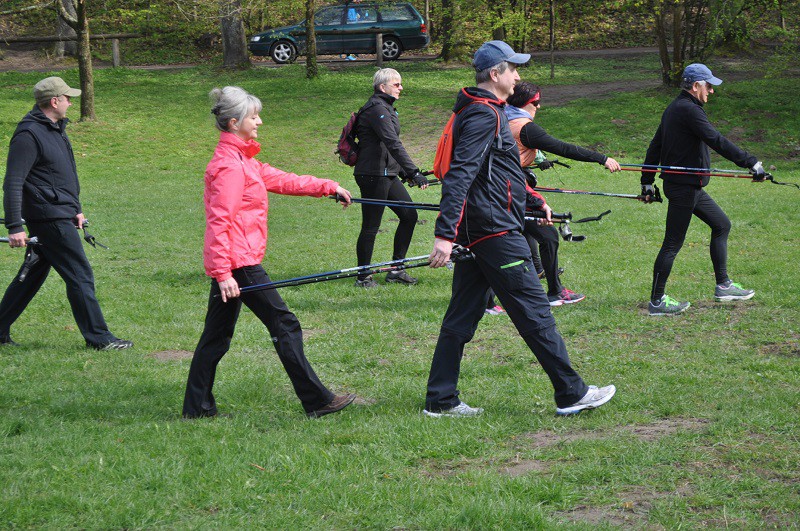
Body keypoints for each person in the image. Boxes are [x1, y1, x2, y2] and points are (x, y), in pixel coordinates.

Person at [424, 41, 616, 417]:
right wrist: (444, 235)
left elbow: (501, 171)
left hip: (482, 229)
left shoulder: (488, 112)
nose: (518, 76)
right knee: (535, 311)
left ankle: (440, 399)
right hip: (494, 232)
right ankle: (571, 393)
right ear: (495, 74)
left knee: (461, 317)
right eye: (513, 69)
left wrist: (533, 199)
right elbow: (461, 175)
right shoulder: (482, 115)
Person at [183, 86, 356, 419]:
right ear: (234, 122)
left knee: (216, 337)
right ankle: (317, 400)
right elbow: (220, 222)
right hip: (239, 263)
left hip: (236, 262)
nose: (259, 121)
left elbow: (280, 179)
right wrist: (222, 274)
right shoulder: (231, 167)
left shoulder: (241, 159)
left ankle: (197, 408)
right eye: (253, 116)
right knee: (285, 323)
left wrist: (327, 187)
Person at [0, 77, 132, 350]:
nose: (71, 102)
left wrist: (76, 210)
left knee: (30, 277)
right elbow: (13, 181)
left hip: (59, 212)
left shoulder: (55, 128)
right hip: (48, 218)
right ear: (54, 101)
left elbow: (59, 176)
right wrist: (15, 226)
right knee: (79, 274)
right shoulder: (29, 134)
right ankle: (100, 338)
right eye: (67, 97)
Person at [641, 63, 766, 316]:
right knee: (672, 243)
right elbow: (716, 140)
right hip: (683, 188)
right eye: (708, 86)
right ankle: (656, 301)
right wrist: (750, 162)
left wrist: (647, 180)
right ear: (696, 86)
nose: (711, 91)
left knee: (721, 225)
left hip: (691, 187)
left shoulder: (676, 108)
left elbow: (655, 146)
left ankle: (724, 285)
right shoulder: (688, 110)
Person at [505, 81, 622, 306]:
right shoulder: (525, 127)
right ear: (527, 103)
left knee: (535, 236)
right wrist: (602, 158)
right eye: (536, 102)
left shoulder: (503, 117)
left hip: (505, 187)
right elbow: (564, 148)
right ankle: (551, 292)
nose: (538, 107)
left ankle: (543, 289)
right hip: (510, 190)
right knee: (544, 236)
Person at [352, 68, 428, 288]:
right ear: (382, 87)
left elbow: (386, 146)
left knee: (409, 216)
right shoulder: (377, 109)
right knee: (371, 226)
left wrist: (404, 173)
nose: (401, 88)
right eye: (397, 84)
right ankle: (362, 276)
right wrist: (413, 171)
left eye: (400, 84)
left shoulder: (386, 108)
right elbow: (393, 142)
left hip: (387, 173)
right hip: (373, 174)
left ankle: (396, 269)